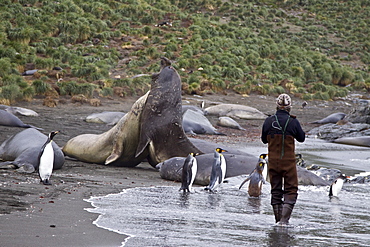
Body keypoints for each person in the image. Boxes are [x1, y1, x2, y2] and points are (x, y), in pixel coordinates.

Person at [261, 93, 305, 226]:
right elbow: (301, 138)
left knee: (276, 191)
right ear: (289, 107)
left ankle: (277, 221)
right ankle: (284, 222)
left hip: (273, 162)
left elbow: (263, 140)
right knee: (291, 190)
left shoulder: (269, 121)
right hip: (288, 162)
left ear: (277, 106)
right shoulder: (293, 121)